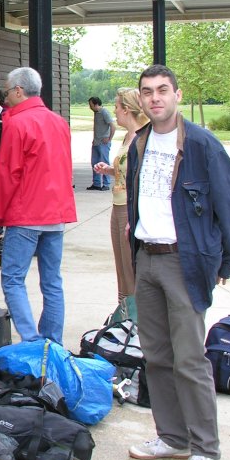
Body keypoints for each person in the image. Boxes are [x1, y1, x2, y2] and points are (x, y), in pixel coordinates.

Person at [125, 65, 230, 460]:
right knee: (157, 355)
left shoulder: (202, 145)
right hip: (147, 257)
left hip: (185, 261)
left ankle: (206, 450)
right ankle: (172, 437)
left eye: (163, 90)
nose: (155, 98)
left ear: (177, 95)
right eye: (147, 92)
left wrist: (226, 262)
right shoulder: (140, 143)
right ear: (141, 99)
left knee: (190, 359)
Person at [0, 67, 76, 344]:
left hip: (26, 213)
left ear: (18, 91)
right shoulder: (59, 122)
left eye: (7, 91)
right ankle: (52, 343)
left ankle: (32, 342)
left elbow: (7, 173)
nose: (5, 97)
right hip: (55, 213)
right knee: (52, 281)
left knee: (13, 279)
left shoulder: (17, 123)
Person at [93, 88, 148, 320]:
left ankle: (137, 317)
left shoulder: (142, 138)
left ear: (126, 109)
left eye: (116, 106)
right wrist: (109, 170)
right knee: (121, 266)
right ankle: (125, 312)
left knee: (130, 265)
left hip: (128, 208)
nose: (114, 111)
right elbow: (126, 171)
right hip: (117, 206)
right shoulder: (127, 137)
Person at [88, 96, 117, 190]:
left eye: (91, 105)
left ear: (96, 104)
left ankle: (106, 184)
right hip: (96, 142)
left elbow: (113, 125)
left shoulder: (104, 112)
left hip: (103, 143)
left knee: (104, 163)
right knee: (95, 163)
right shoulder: (96, 113)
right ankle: (96, 184)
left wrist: (109, 138)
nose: (90, 107)